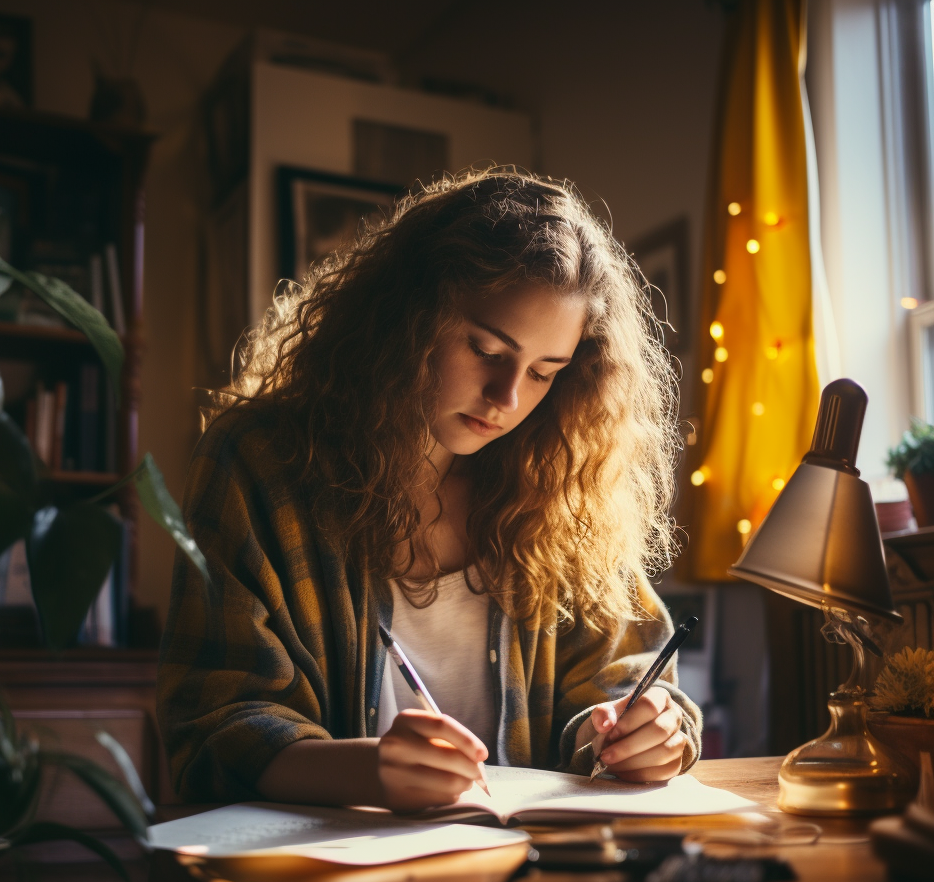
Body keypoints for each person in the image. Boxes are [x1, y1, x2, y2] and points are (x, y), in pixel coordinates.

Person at [158, 169, 702, 812]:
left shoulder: (556, 487)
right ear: (407, 317)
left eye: (543, 373)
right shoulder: (258, 464)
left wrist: (632, 732)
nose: (508, 399)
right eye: (486, 349)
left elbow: (622, 671)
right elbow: (213, 725)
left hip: (529, 877)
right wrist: (369, 772)